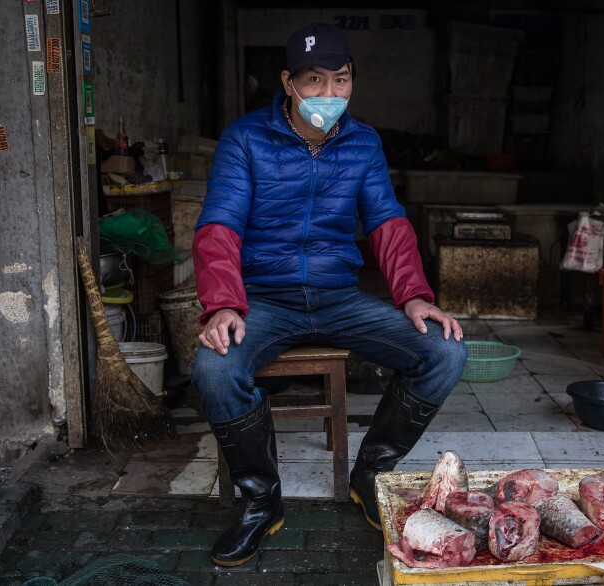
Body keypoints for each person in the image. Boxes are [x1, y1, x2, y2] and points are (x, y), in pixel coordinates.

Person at [192, 22, 467, 567]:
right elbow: (218, 225)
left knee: (445, 350)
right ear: (288, 83)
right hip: (264, 300)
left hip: (338, 298)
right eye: (314, 81)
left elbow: (387, 221)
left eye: (340, 80)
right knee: (214, 369)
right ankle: (261, 502)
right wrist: (223, 303)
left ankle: (370, 477)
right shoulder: (245, 139)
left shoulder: (362, 142)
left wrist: (413, 294)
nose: (329, 95)